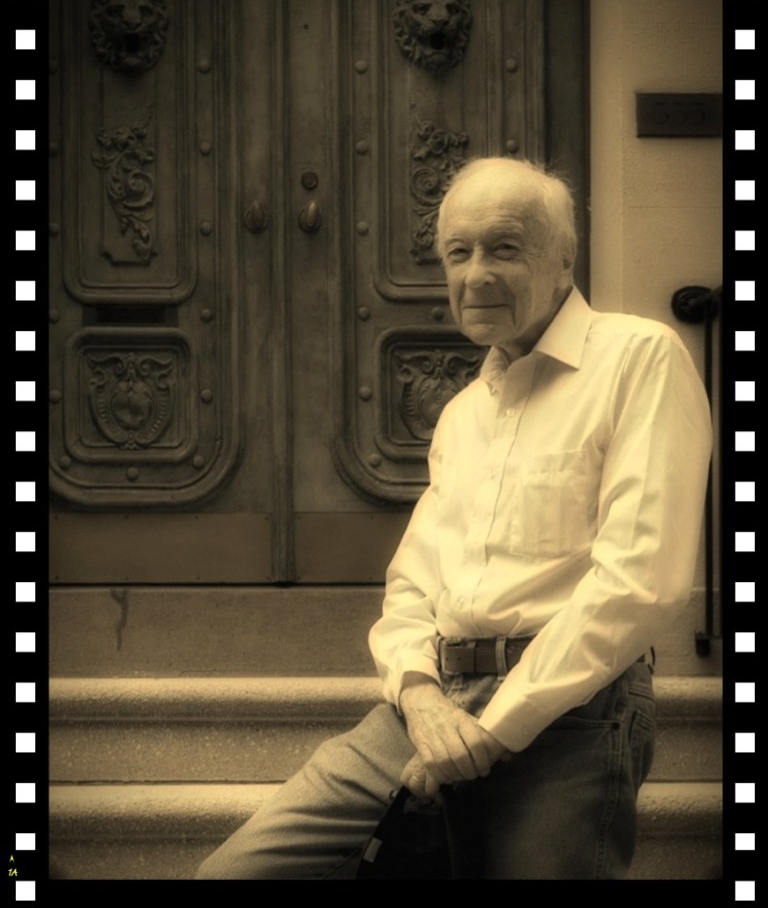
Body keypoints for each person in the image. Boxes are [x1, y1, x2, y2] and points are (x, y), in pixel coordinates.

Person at [197, 157, 712, 880]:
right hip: (432, 704)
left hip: (575, 712)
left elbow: (640, 583)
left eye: (504, 248)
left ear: (563, 260)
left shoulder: (637, 358)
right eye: (457, 253)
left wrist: (493, 732)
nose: (475, 276)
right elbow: (412, 586)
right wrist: (420, 697)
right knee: (239, 871)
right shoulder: (465, 412)